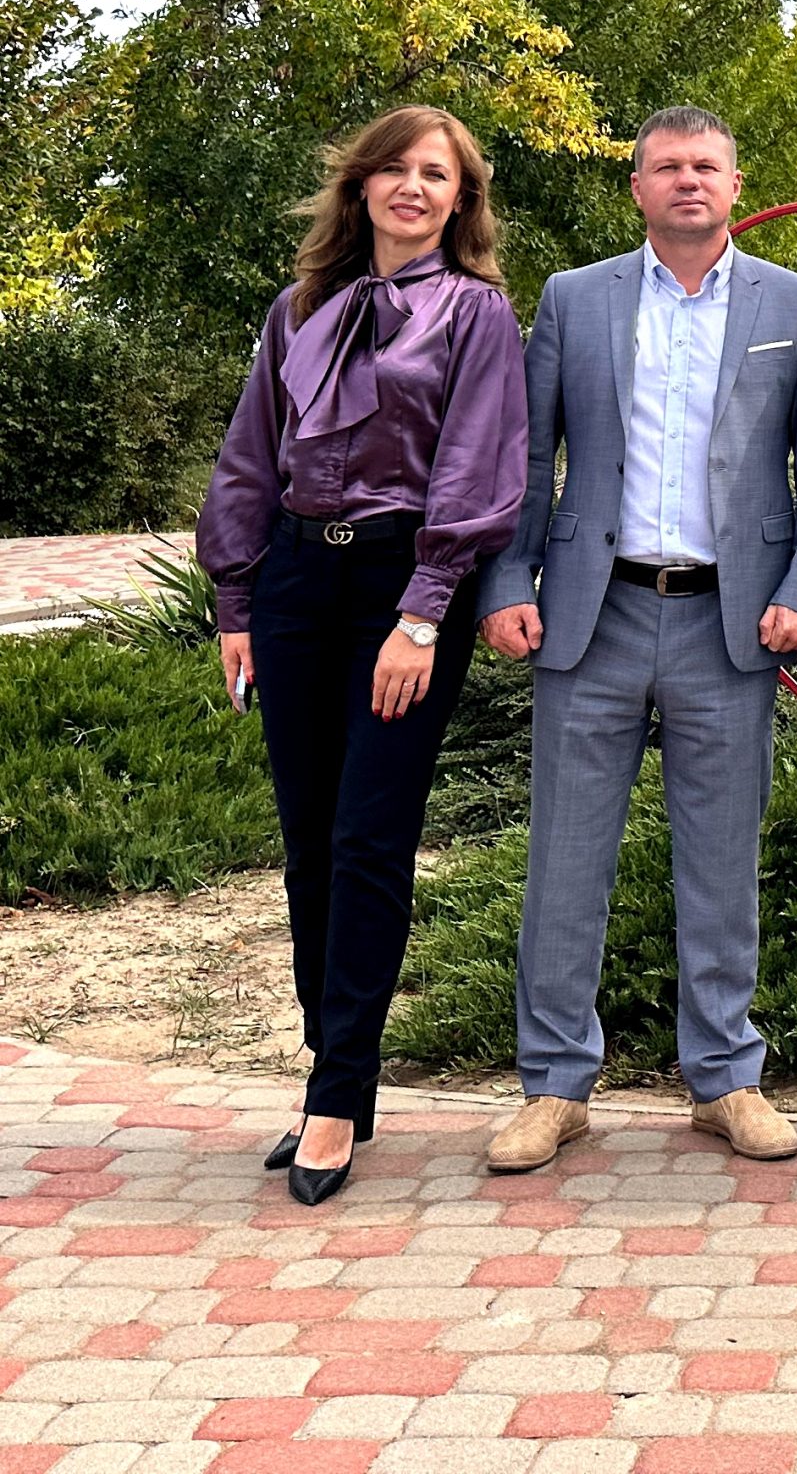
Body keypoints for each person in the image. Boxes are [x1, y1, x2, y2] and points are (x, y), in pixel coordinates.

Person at [476, 106, 797, 1173]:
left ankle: (724, 1076)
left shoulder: (795, 302)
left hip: (730, 618)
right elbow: (523, 455)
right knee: (565, 858)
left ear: (735, 185)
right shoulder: (575, 297)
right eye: (667, 166)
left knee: (722, 859)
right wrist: (505, 580)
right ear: (637, 187)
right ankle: (554, 1086)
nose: (688, 180)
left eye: (706, 166)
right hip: (591, 614)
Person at [198, 106, 527, 1206]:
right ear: (361, 185)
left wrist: (424, 614)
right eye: (395, 167)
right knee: (307, 841)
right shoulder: (299, 307)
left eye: (436, 173)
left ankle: (339, 1094)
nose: (412, 186)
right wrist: (236, 598)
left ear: (460, 198)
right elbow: (252, 454)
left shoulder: (476, 313)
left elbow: (478, 466)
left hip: (403, 583)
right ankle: (330, 1069)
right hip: (295, 581)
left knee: (369, 839)